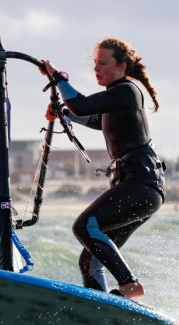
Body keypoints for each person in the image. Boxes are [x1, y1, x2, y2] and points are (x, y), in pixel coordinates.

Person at [42, 38, 166, 299]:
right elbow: (95, 119)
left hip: (141, 184)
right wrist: (64, 113)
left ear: (121, 66)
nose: (96, 68)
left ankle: (129, 284)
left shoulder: (126, 90)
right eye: (95, 63)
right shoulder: (116, 99)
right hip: (139, 186)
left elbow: (81, 105)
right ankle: (103, 308)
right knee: (89, 261)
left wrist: (58, 78)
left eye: (103, 63)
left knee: (84, 227)